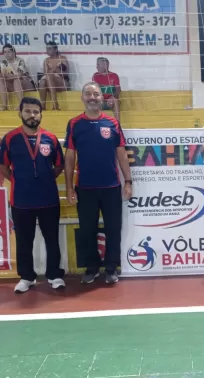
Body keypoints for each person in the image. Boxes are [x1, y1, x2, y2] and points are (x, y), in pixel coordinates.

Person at [64, 82, 132, 284]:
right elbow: (69, 157)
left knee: (113, 229)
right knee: (87, 230)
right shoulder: (75, 124)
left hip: (111, 188)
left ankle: (111, 268)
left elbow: (121, 154)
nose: (92, 97)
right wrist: (69, 188)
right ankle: (91, 268)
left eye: (96, 94)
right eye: (88, 94)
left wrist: (128, 181)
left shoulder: (113, 123)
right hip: (85, 188)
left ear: (102, 98)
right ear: (82, 98)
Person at [0, 97, 66, 293]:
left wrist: (45, 178)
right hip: (21, 200)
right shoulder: (10, 138)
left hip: (48, 199)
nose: (32, 115)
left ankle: (54, 275)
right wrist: (18, 180)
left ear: (41, 114)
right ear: (20, 113)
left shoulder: (50, 138)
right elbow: (2, 165)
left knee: (52, 239)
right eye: (27, 111)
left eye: (36, 112)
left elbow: (59, 164)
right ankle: (27, 277)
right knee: (24, 241)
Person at [0, 44, 35, 110]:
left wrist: (8, 76)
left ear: (14, 52)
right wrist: (8, 76)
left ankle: (21, 105)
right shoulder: (3, 62)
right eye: (5, 52)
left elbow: (19, 75)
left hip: (25, 83)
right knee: (1, 81)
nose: (6, 54)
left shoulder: (20, 60)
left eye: (9, 52)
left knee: (16, 80)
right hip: (13, 83)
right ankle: (4, 105)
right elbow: (3, 75)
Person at [39, 41, 69, 111]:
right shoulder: (46, 60)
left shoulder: (62, 58)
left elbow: (66, 74)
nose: (47, 51)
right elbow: (46, 74)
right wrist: (54, 70)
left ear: (55, 49)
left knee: (49, 77)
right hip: (50, 83)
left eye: (49, 49)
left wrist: (57, 72)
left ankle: (55, 104)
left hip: (62, 83)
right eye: (46, 49)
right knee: (43, 81)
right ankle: (43, 105)